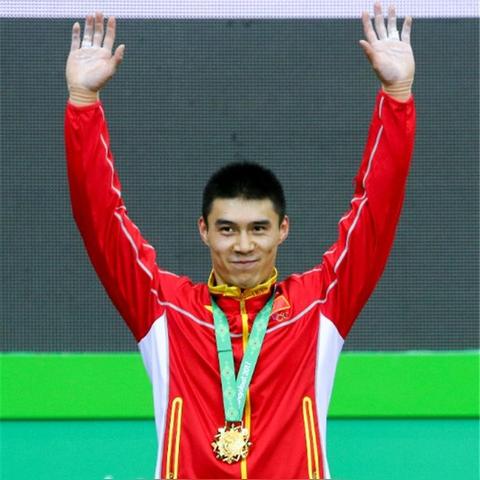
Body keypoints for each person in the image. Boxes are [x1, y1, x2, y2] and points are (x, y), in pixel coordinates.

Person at [64, 3, 415, 479]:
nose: (243, 245)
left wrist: (397, 96)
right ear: (204, 230)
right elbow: (102, 221)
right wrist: (83, 103)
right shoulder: (165, 310)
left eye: (258, 228)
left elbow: (376, 212)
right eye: (227, 229)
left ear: (282, 230)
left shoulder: (319, 307)